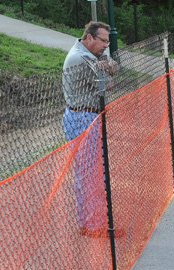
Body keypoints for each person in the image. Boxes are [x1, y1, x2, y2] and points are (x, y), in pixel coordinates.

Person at [62, 21, 119, 238]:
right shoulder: (80, 58)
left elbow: (115, 67)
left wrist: (104, 64)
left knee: (92, 172)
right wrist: (105, 66)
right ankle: (92, 226)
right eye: (103, 40)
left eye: (108, 41)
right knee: (89, 174)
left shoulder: (90, 55)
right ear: (89, 38)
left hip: (88, 115)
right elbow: (109, 84)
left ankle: (92, 223)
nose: (106, 45)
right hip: (81, 117)